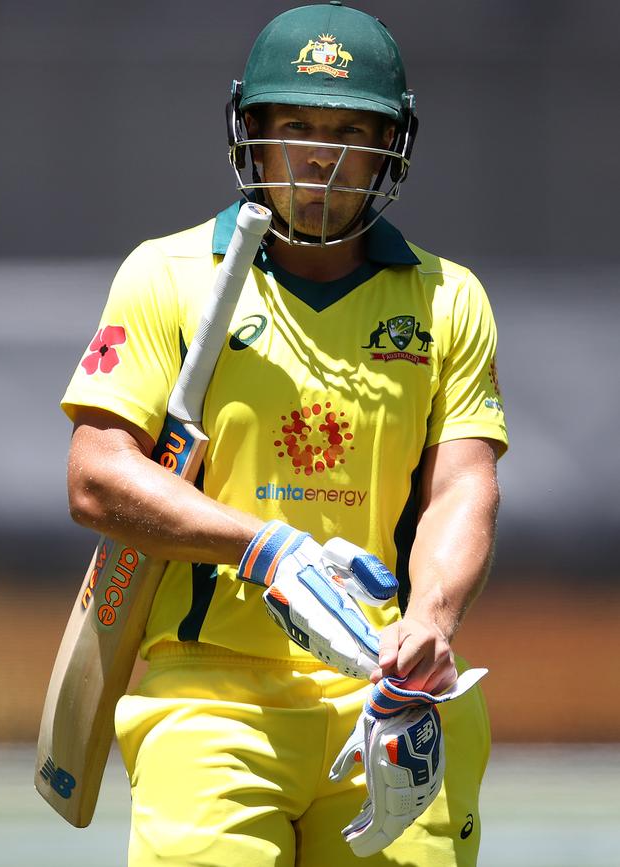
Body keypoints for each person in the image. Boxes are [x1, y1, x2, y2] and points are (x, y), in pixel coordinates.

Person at [62, 3, 507, 865]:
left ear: (393, 144)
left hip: (390, 687)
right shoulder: (168, 274)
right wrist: (258, 545)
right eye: (296, 124)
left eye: (351, 128)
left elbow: (462, 485)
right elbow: (96, 475)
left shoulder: (449, 298)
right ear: (252, 133)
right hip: (208, 695)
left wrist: (431, 622)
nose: (322, 154)